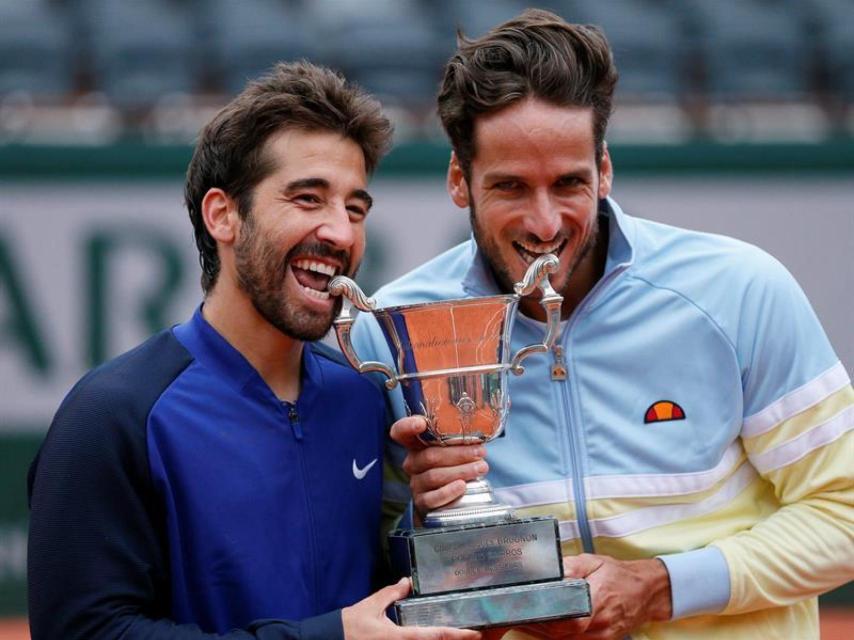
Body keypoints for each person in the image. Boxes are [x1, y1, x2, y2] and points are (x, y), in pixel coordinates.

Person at [350, 10, 854, 640]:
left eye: (569, 183)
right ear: (460, 179)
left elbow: (845, 515)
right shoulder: (396, 328)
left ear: (605, 170)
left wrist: (662, 587)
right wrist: (425, 524)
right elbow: (374, 568)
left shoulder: (741, 291)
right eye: (509, 186)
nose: (544, 223)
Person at [27, 61, 480, 640]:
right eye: (308, 198)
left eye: (355, 208)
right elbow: (84, 633)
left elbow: (377, 602)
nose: (341, 233)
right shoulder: (111, 415)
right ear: (223, 215)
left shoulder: (363, 402)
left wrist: (436, 534)